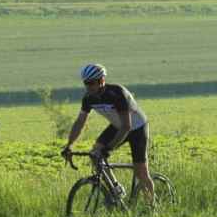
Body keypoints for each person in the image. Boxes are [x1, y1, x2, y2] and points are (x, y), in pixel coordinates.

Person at [60, 63, 155, 200]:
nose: (88, 87)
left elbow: (126, 126)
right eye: (86, 83)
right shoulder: (88, 98)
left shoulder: (117, 94)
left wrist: (109, 148)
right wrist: (69, 145)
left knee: (141, 172)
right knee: (95, 154)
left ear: (101, 81)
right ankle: (116, 189)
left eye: (91, 83)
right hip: (117, 126)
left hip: (136, 128)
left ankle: (153, 207)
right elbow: (80, 122)